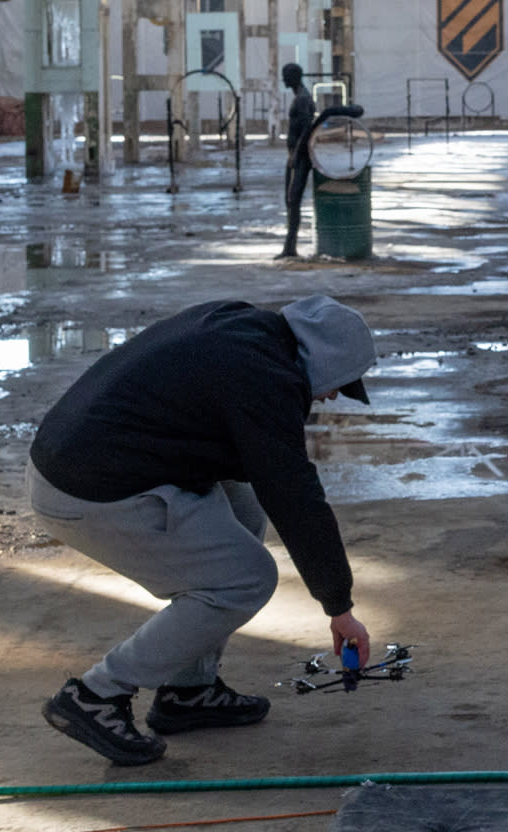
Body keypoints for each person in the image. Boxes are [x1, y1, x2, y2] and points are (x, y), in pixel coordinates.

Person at [29, 295, 376, 766]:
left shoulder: (245, 326)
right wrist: (339, 606)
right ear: (322, 359)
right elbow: (296, 496)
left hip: (92, 460)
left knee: (244, 509)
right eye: (337, 383)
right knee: (244, 579)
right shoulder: (266, 379)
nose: (331, 395)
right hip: (89, 491)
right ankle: (95, 695)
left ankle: (188, 691)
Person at [279, 61, 317, 259]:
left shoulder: (302, 99)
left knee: (293, 199)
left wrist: (295, 154)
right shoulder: (300, 96)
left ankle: (290, 246)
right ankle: (289, 245)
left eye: (285, 75)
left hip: (299, 156)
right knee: (290, 200)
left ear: (294, 77)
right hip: (295, 155)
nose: (283, 79)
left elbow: (305, 129)